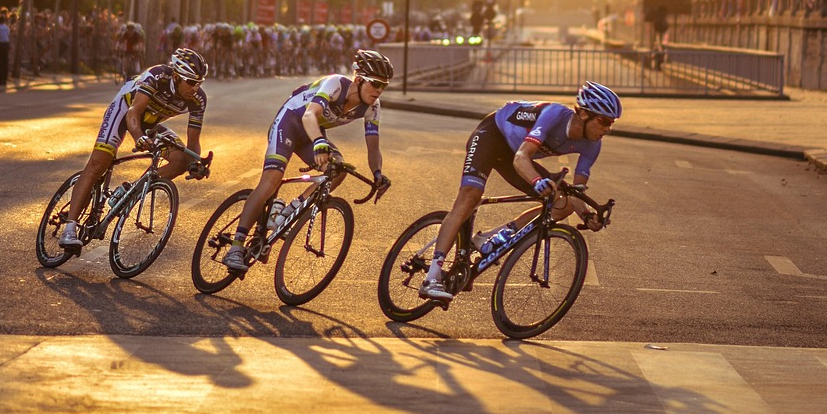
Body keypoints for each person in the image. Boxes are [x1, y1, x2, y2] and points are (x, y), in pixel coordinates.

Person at [418, 81, 621, 301]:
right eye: (604, 121)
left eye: (611, 123)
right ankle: (432, 277)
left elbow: (575, 192)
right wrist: (537, 181)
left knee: (563, 205)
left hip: (513, 154)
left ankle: (490, 237)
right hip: (492, 136)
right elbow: (521, 157)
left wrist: (588, 215)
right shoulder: (554, 115)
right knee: (470, 197)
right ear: (583, 114)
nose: (607, 129)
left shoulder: (593, 145)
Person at [221, 49, 394, 272]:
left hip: (311, 133)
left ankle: (288, 212)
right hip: (290, 122)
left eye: (384, 86)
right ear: (359, 79)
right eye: (375, 83)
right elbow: (309, 115)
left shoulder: (372, 107)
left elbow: (373, 146)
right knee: (272, 180)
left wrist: (378, 173)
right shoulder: (335, 84)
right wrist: (319, 141)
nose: (379, 90)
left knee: (338, 170)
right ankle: (235, 247)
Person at [58, 48, 211, 253]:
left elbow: (193, 143)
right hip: (125, 112)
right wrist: (138, 137)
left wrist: (195, 163)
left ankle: (130, 191)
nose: (195, 88)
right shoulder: (157, 76)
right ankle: (69, 230)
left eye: (200, 83)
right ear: (176, 76)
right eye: (191, 82)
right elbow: (134, 112)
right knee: (99, 163)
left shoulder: (198, 99)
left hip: (151, 123)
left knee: (181, 160)